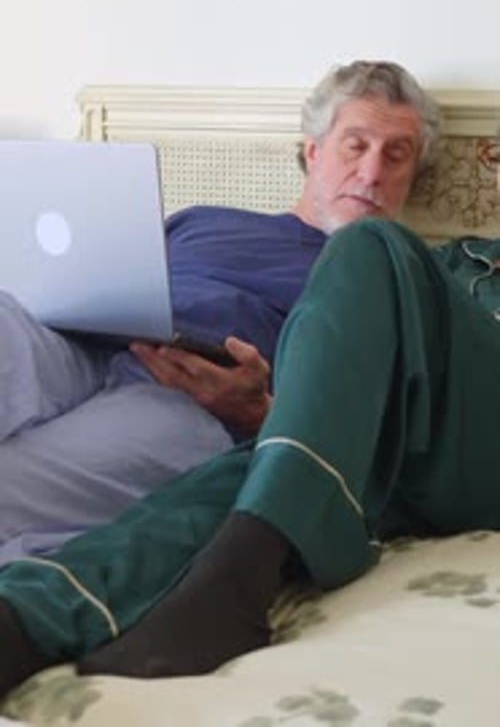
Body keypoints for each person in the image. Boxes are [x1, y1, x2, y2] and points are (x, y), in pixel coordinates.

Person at [0, 58, 469, 698]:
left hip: (189, 400)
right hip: (80, 338)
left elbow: (353, 419)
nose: (371, 172)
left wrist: (260, 410)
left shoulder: (388, 283)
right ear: (313, 151)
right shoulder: (202, 218)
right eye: (355, 146)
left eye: (397, 155)